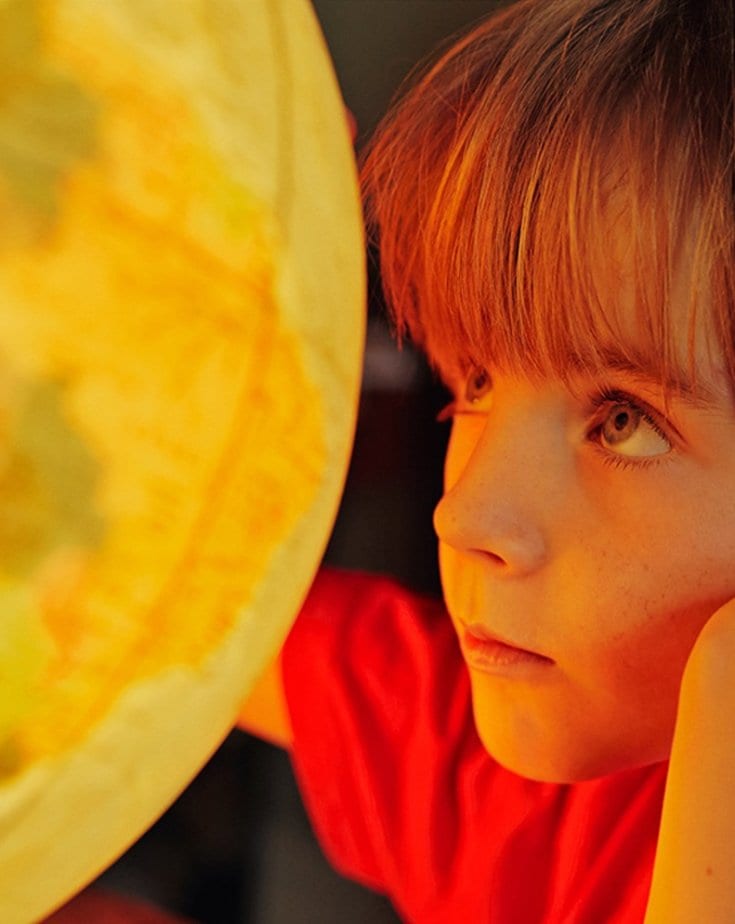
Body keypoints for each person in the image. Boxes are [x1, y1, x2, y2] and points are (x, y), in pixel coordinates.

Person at [239, 0, 735, 921]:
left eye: (621, 419)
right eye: (474, 382)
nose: (462, 513)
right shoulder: (514, 801)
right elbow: (145, 601)